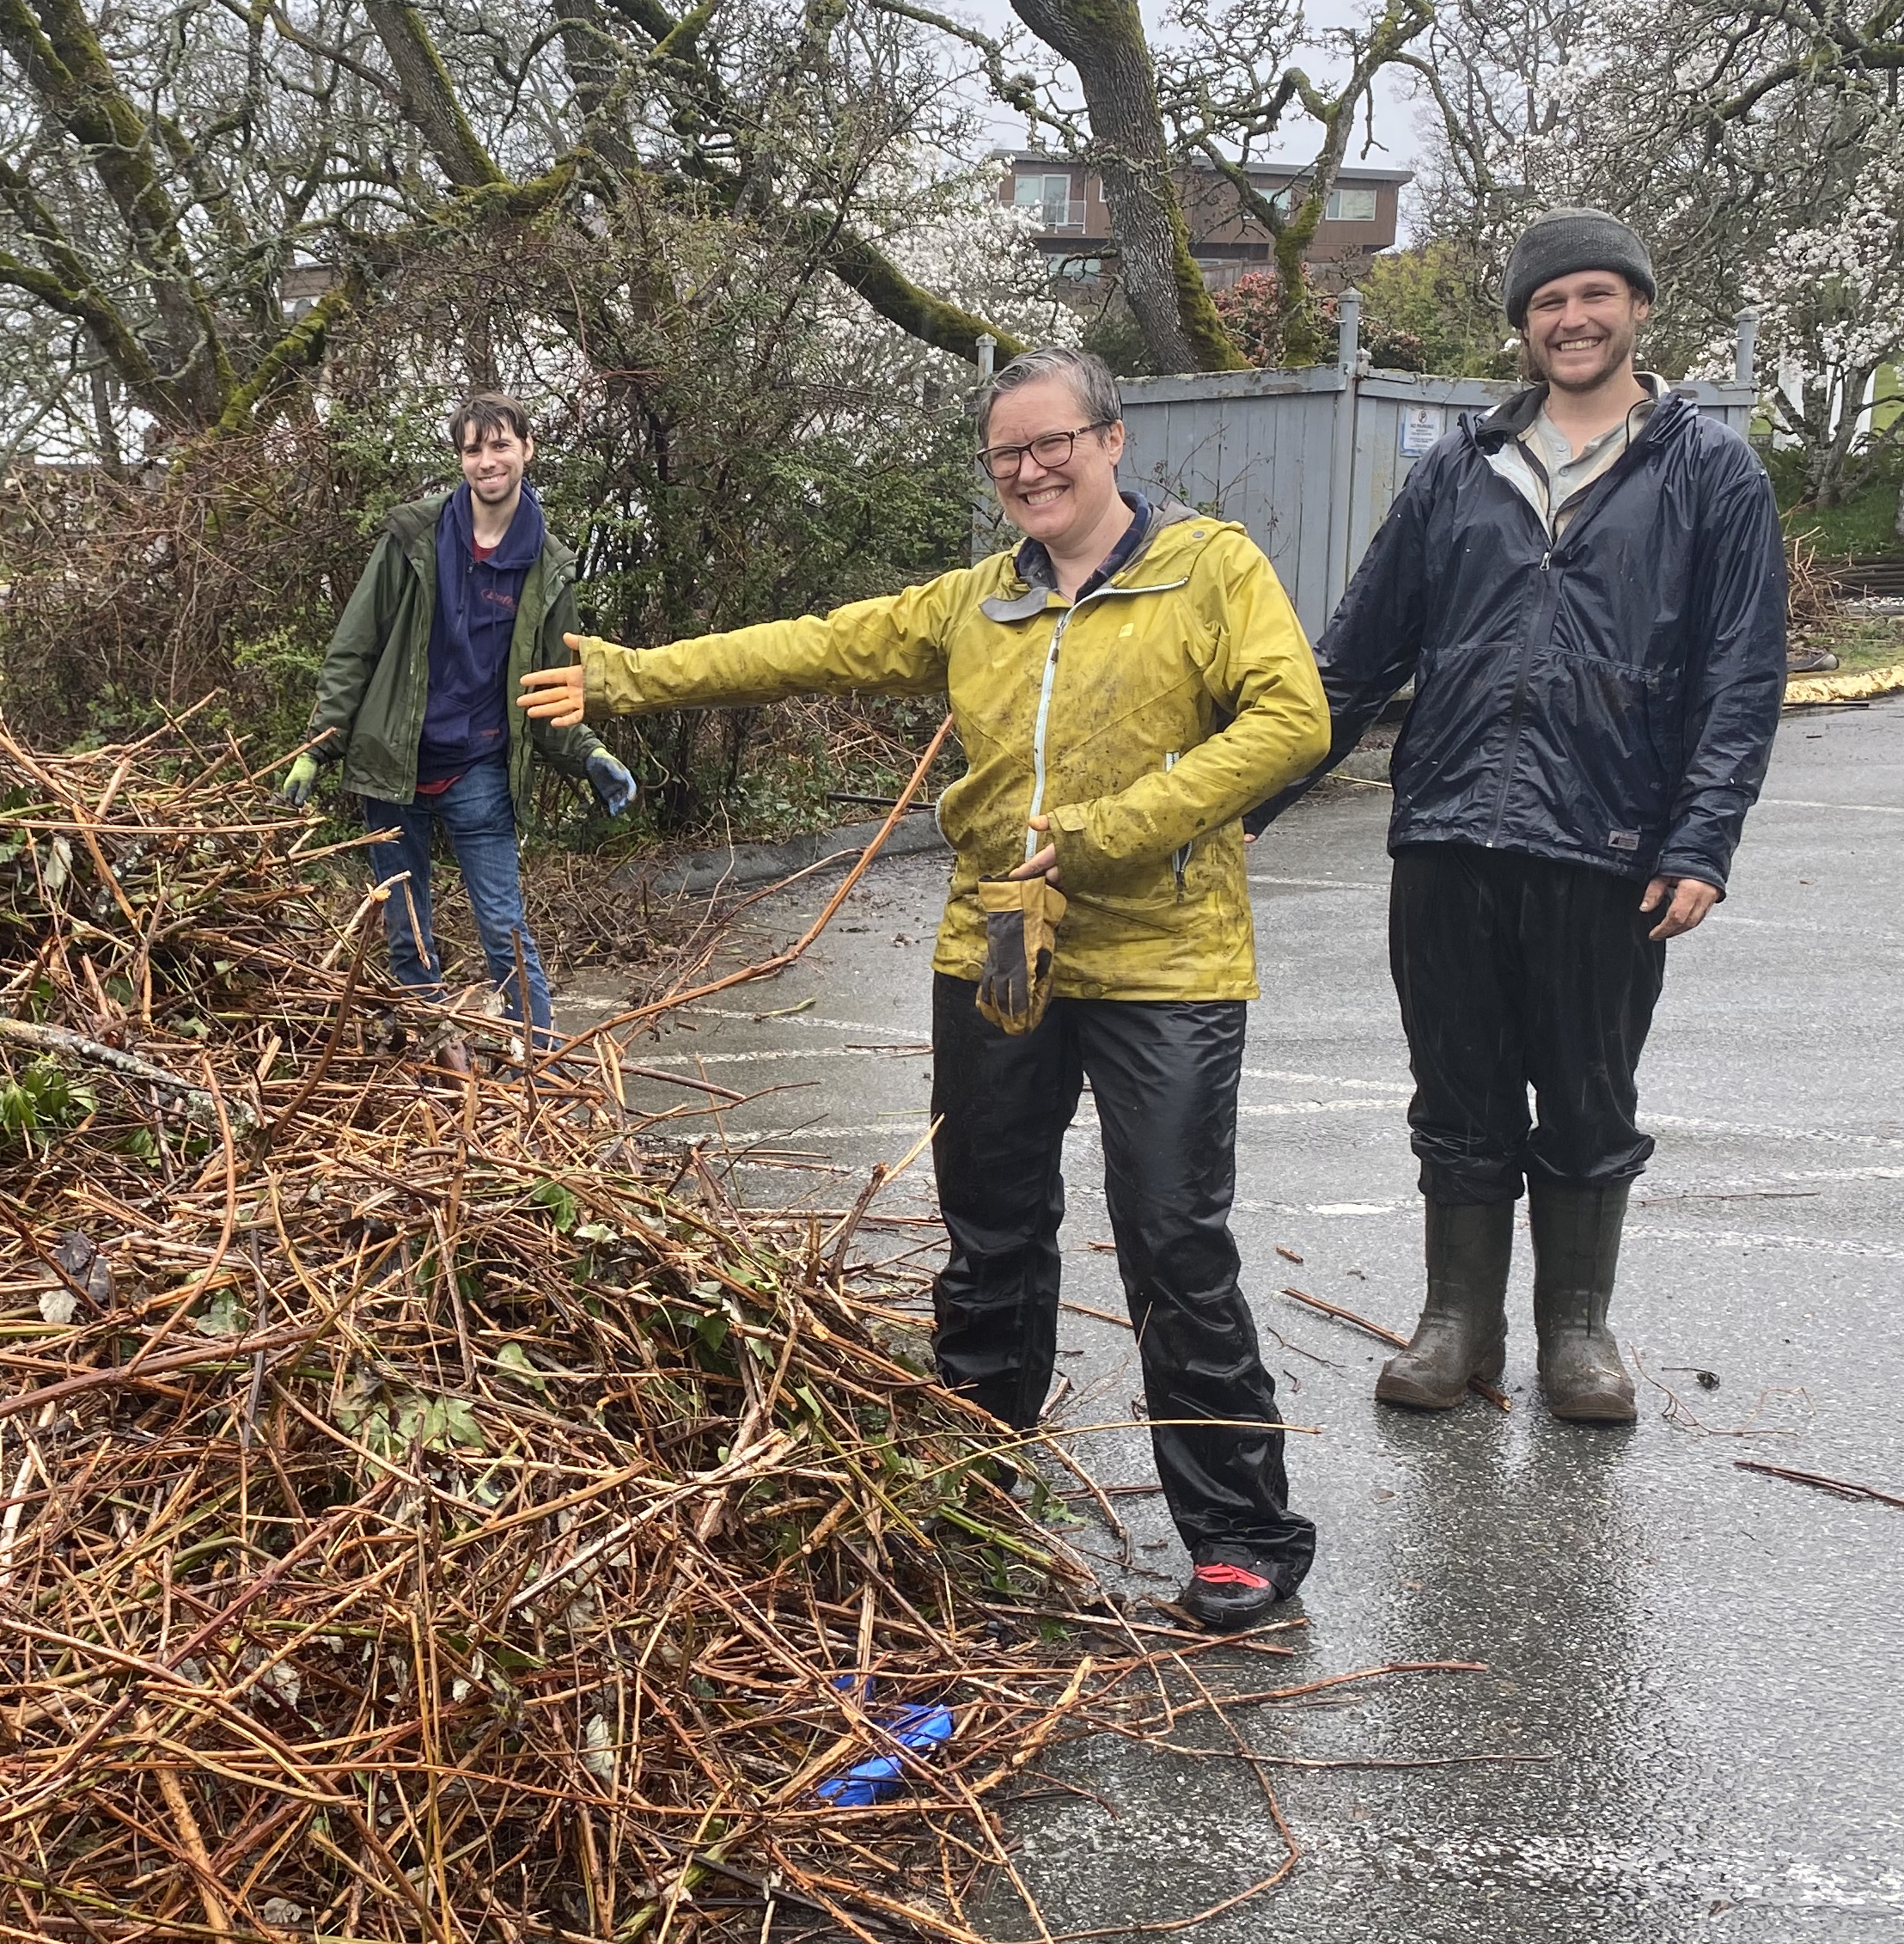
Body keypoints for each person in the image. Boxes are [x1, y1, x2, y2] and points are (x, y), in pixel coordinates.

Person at [520, 349, 1330, 1632]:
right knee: (993, 1228)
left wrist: (1123, 824)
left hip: (1166, 959)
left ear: (1111, 440)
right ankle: (973, 1489)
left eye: (1052, 442)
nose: (1031, 469)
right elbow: (812, 646)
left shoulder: (1211, 569)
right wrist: (632, 676)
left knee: (1175, 1243)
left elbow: (1291, 724)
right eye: (1007, 453)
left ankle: (1240, 1532)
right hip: (1003, 944)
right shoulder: (979, 600)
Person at [1251, 210, 1786, 1423]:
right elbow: (1353, 659)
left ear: (1639, 308)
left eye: (1597, 295)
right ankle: (1457, 1326)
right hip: (1448, 831)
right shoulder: (1458, 469)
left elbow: (1740, 674)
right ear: (1524, 323)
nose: (1574, 319)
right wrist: (1242, 802)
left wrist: (1702, 839)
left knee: (1591, 1096)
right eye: (1549, 302)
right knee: (1458, 1090)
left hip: (1608, 844)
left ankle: (1579, 1334)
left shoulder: (1710, 473)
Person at [281, 395, 637, 1044]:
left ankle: (542, 1066)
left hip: (478, 767)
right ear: (460, 459)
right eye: (473, 449)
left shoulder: (547, 566)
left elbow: (552, 683)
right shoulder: (414, 537)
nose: (487, 461)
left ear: (527, 449)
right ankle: (427, 1059)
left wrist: (587, 751)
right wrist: (320, 744)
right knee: (405, 930)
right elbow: (355, 645)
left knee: (504, 926)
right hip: (394, 761)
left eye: (500, 445)